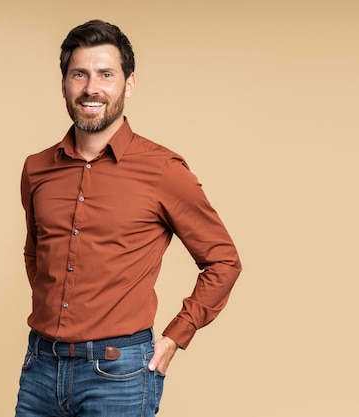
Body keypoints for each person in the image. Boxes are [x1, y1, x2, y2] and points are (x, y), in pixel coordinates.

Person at [15, 19, 242, 417]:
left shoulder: (162, 170)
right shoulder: (37, 169)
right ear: (64, 83)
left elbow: (223, 261)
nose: (91, 88)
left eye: (106, 74)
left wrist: (176, 336)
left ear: (129, 84)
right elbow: (36, 255)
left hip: (119, 374)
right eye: (79, 74)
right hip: (40, 368)